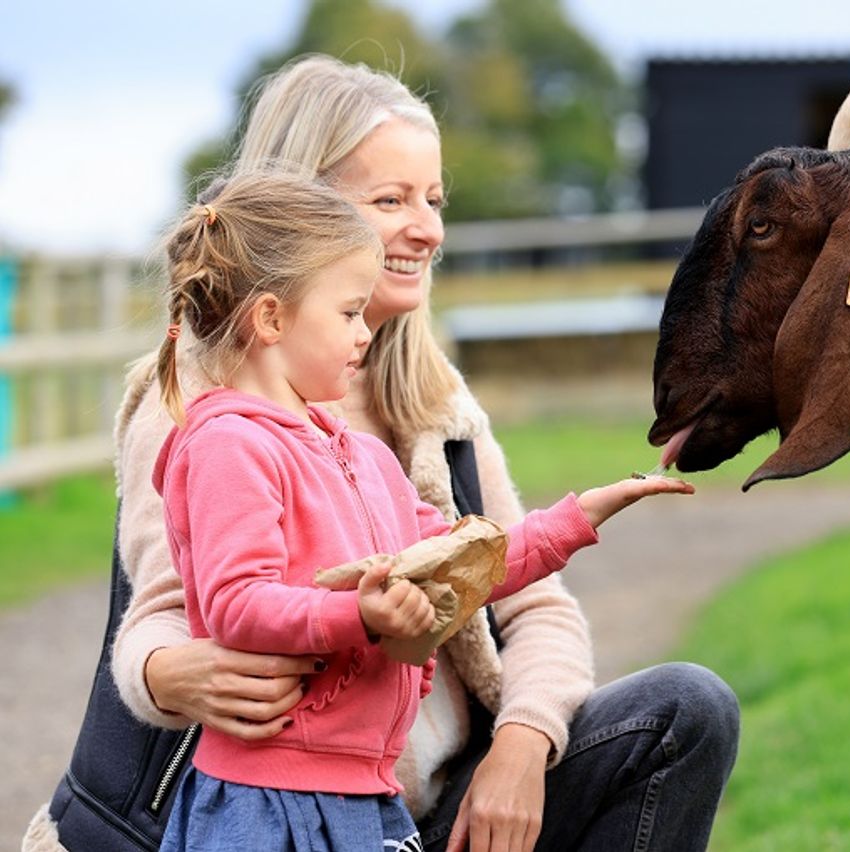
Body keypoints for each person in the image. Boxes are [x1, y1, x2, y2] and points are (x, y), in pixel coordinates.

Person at [25, 54, 740, 852]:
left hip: (410, 813)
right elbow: (163, 612)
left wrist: (522, 744)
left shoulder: (436, 406)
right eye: (391, 200)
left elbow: (517, 593)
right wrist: (169, 672)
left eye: (434, 200)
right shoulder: (204, 411)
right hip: (264, 810)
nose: (428, 228)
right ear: (304, 215)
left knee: (686, 711)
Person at [146, 170, 692, 851]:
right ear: (270, 318)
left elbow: (462, 568)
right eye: (348, 313)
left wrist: (576, 520)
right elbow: (235, 604)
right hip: (266, 805)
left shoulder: (369, 460)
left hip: (365, 798)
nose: (363, 334)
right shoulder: (229, 444)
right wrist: (361, 616)